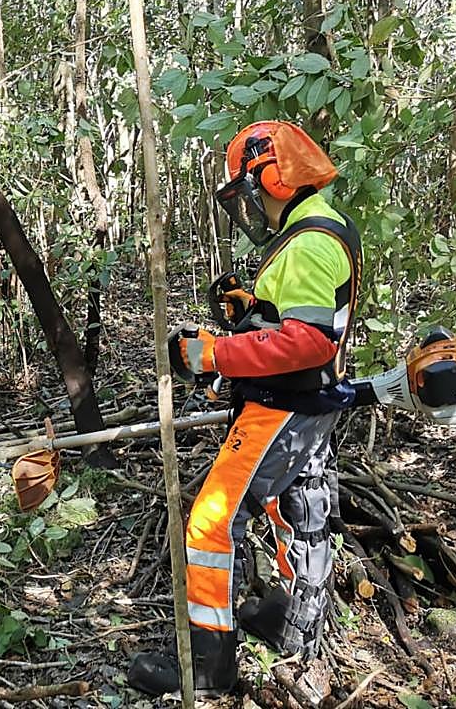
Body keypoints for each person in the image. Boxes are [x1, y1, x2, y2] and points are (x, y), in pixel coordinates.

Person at [128, 121, 362, 696]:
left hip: (280, 409)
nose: (248, 207)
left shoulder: (308, 244)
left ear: (274, 178)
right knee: (298, 506)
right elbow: (300, 320)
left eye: (247, 192)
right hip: (311, 404)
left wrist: (215, 354)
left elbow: (308, 340)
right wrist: (254, 309)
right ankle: (291, 624)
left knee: (211, 524)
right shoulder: (326, 227)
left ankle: (208, 666)